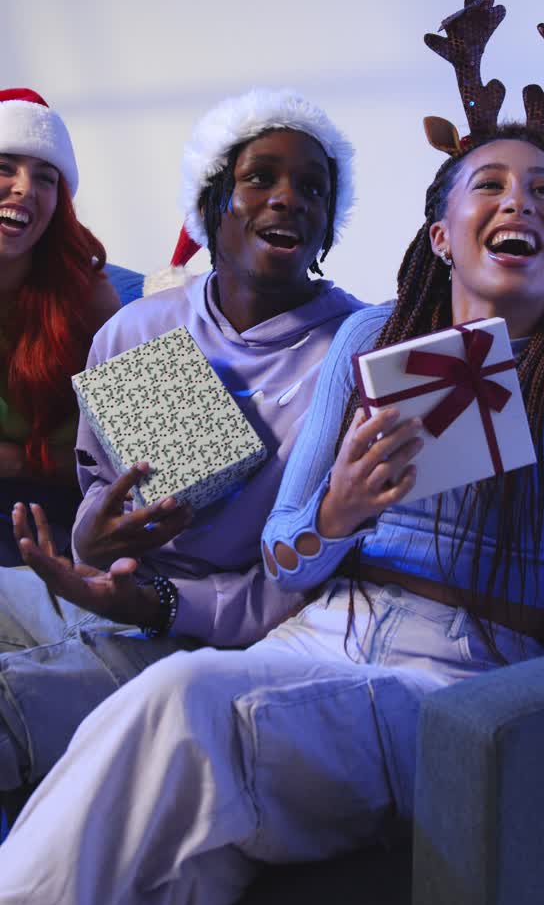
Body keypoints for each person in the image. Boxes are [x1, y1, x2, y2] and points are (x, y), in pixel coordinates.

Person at [2, 0, 544, 905]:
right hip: (308, 632)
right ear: (440, 234)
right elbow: (287, 545)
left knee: (176, 700)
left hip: (445, 676)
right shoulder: (365, 340)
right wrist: (337, 512)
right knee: (175, 851)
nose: (519, 201)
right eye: (489, 186)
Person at [0, 86, 363, 804]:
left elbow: (304, 582)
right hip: (97, 593)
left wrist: (159, 602)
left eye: (313, 188)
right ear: (209, 205)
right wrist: (94, 537)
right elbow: (96, 490)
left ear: (327, 228)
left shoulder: (359, 354)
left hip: (207, 639)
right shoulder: (139, 330)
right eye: (260, 177)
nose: (289, 198)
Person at [0, 88, 120, 566]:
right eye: (5, 167)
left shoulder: (88, 296)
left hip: (60, 506)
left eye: (45, 178)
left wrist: (16, 462)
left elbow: (151, 461)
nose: (25, 188)